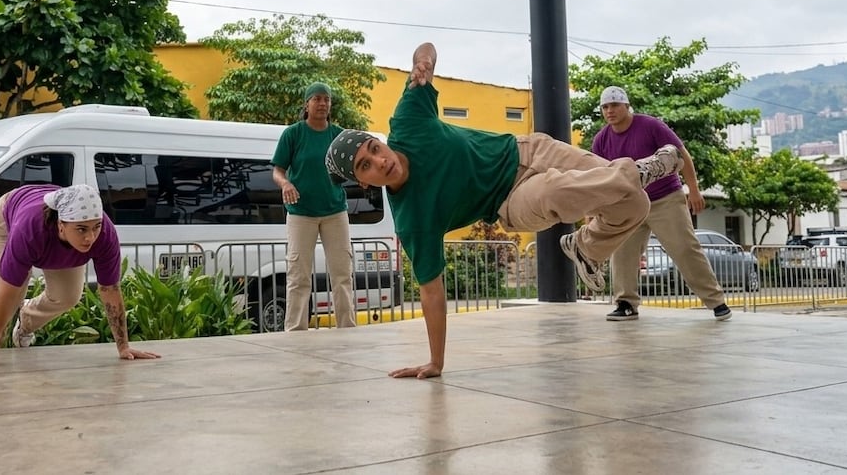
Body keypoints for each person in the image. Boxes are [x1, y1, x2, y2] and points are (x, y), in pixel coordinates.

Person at [323, 43, 682, 379]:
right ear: (364, 182)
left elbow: (426, 49)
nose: (379, 161)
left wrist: (423, 63)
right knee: (573, 187)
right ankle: (641, 169)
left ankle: (587, 247)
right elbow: (431, 292)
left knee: (635, 202)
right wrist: (436, 361)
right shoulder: (412, 220)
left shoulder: (408, 121)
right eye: (365, 165)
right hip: (512, 200)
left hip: (530, 150)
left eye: (373, 148)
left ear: (380, 140)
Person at [0, 183, 160, 369]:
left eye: (96, 227)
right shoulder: (29, 231)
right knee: (12, 291)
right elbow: (6, 292)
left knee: (68, 296)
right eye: (82, 229)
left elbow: (110, 291)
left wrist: (123, 347)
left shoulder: (105, 235)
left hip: (51, 234)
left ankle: (25, 322)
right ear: (61, 224)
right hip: (7, 215)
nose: (90, 237)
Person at [590, 86, 732, 322]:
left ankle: (716, 301)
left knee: (685, 248)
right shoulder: (601, 139)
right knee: (622, 252)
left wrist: (693, 190)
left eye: (615, 105)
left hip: (665, 198)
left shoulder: (650, 126)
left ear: (626, 105)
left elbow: (681, 154)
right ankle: (626, 303)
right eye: (605, 107)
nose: (610, 111)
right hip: (629, 203)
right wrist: (596, 210)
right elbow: (597, 176)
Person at [271, 82, 356, 330]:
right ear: (306, 104)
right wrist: (285, 183)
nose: (322, 103)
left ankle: (347, 328)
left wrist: (362, 176)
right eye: (317, 99)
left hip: (335, 212)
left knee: (342, 275)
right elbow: (277, 170)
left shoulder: (339, 135)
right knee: (298, 276)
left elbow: (354, 165)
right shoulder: (293, 134)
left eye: (326, 99)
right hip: (300, 213)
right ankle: (295, 330)